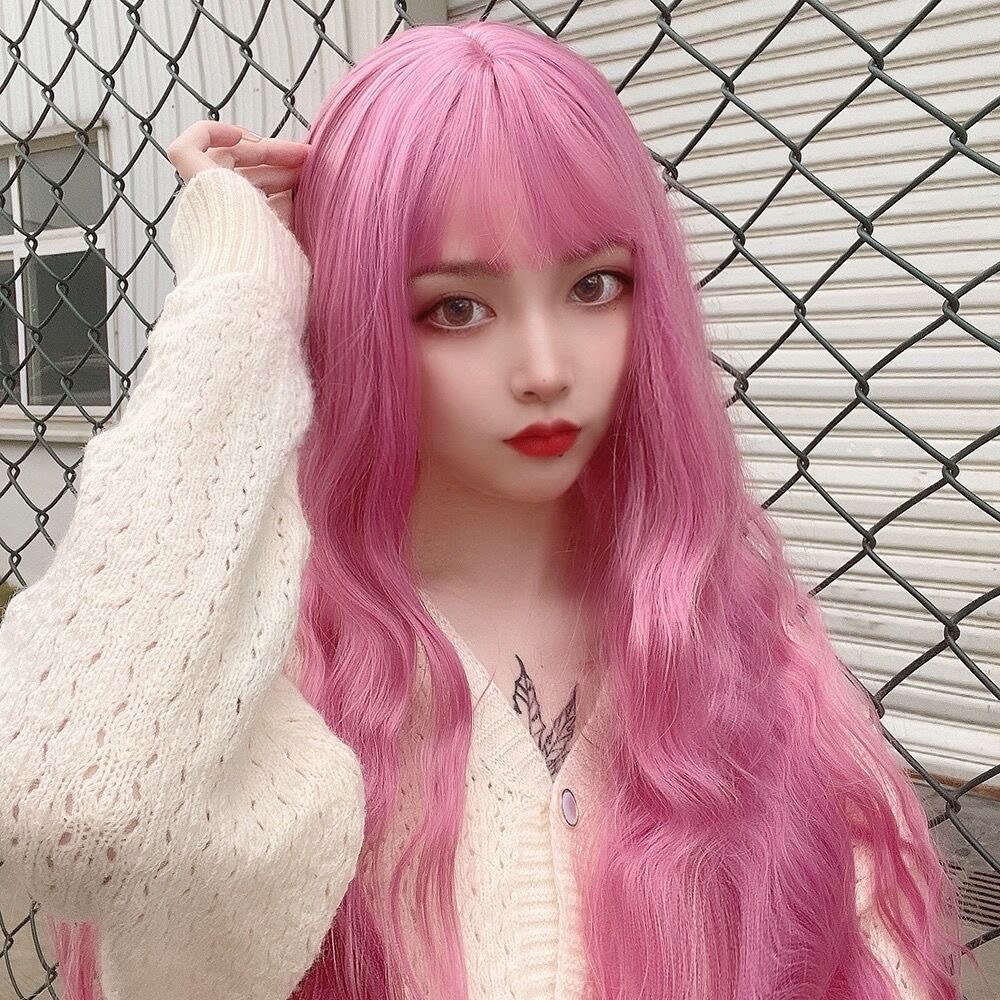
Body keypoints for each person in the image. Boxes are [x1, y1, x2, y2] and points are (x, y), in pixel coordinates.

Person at [0, 19, 967, 1000]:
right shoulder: (272, 670)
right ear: (361, 319)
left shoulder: (743, 644)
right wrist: (240, 301)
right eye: (456, 308)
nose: (545, 370)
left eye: (594, 286)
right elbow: (74, 813)